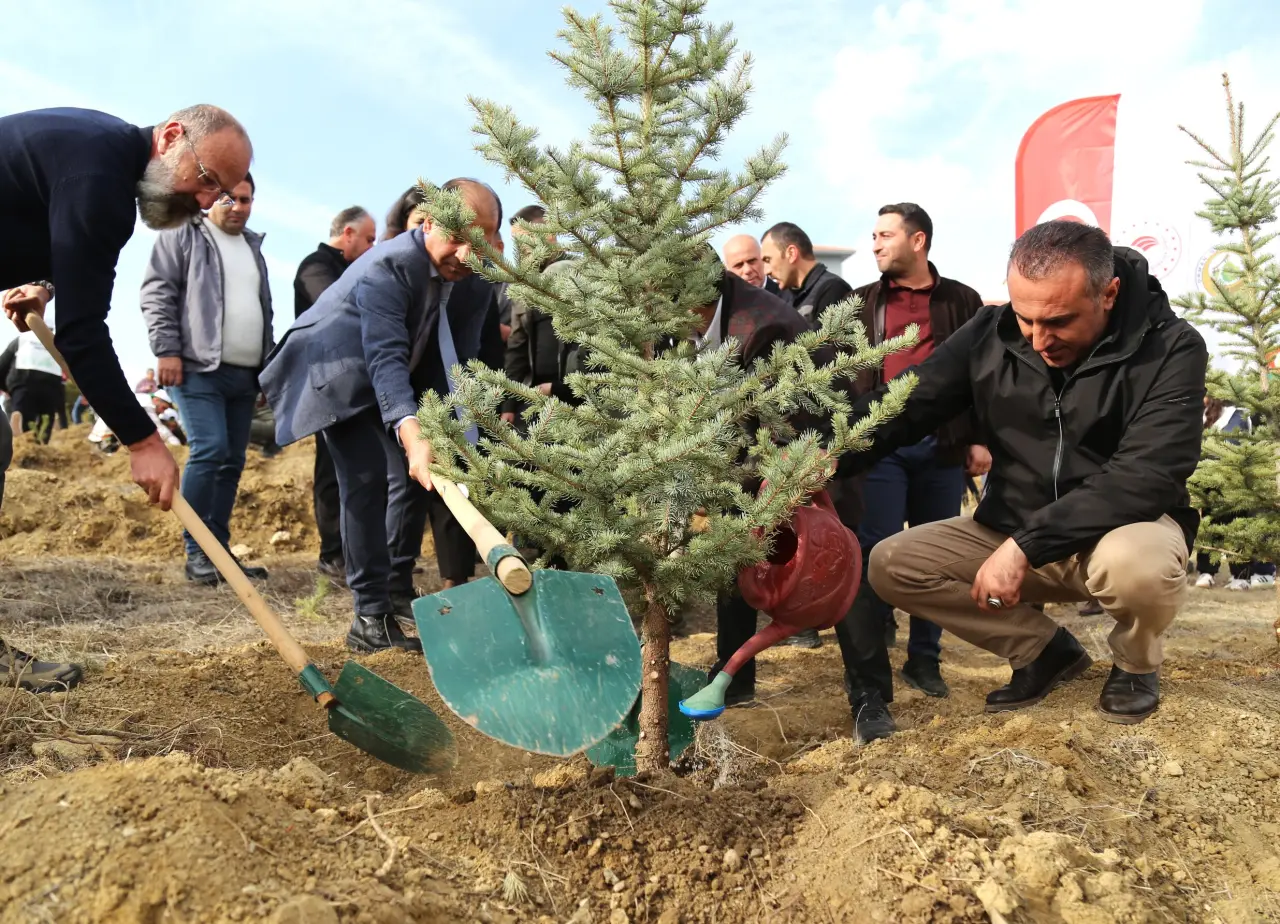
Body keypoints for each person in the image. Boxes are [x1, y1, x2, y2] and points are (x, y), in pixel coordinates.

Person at [835, 220, 1207, 726]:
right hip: (1014, 526)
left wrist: (1024, 547)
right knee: (891, 564)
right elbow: (910, 402)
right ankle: (1044, 651)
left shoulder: (1171, 346)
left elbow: (1147, 475)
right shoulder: (990, 332)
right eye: (1025, 317)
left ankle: (1135, 664)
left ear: (1109, 293)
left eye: (1059, 321)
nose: (1038, 339)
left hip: (1120, 530)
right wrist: (830, 452)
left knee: (1137, 567)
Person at [261, 178, 504, 653]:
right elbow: (384, 358)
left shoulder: (474, 277)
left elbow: (457, 359)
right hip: (337, 370)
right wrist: (413, 434)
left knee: (406, 484)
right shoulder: (388, 266)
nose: (465, 254)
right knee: (366, 479)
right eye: (455, 237)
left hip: (395, 372)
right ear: (428, 223)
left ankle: (392, 592)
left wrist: (452, 432)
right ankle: (369, 618)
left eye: (478, 242)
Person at [1, 104, 252, 515]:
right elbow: (81, 333)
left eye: (219, 192)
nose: (206, 202)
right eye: (206, 178)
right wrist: (143, 440)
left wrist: (43, 285)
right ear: (171, 137)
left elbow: (56, 235)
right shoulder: (101, 179)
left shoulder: (101, 148)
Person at [837, 203, 987, 740]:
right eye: (873, 234)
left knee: (936, 555)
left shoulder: (963, 301)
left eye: (885, 234)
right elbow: (843, 376)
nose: (875, 244)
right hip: (879, 448)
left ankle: (925, 659)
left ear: (918, 240)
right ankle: (871, 665)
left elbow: (982, 374)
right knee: (872, 551)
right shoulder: (860, 303)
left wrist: (978, 438)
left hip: (942, 447)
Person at [141, 173, 273, 586]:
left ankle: (218, 552)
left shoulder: (253, 247)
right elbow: (157, 292)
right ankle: (198, 551)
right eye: (229, 198)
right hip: (196, 368)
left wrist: (266, 370)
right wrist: (166, 349)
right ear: (211, 198)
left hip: (245, 374)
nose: (238, 207)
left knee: (232, 460)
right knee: (211, 449)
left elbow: (263, 309)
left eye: (246, 200)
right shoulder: (182, 233)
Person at [292, 205, 378, 583]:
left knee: (364, 472)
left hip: (355, 385)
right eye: (369, 239)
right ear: (348, 233)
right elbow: (333, 306)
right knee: (331, 470)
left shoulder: (350, 270)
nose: (373, 247)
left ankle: (364, 555)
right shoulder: (315, 267)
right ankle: (333, 555)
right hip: (327, 386)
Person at [760, 222, 855, 323]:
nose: (766, 271)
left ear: (791, 253)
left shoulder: (833, 289)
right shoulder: (784, 299)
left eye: (768, 260)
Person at [0, 325, 65, 443]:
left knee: (22, 410)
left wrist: (5, 388)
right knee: (46, 416)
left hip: (23, 379)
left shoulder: (23, 338)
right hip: (51, 382)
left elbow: (3, 363)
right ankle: (41, 441)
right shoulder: (57, 343)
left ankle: (20, 425)